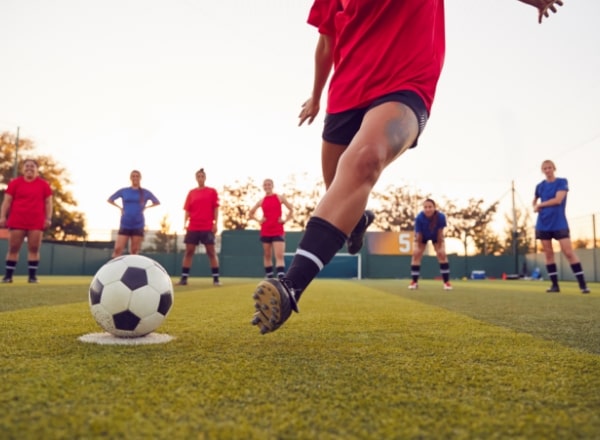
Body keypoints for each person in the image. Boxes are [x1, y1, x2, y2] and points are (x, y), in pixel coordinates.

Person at [251, 0, 565, 335]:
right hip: (345, 94)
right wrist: (315, 96)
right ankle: (356, 221)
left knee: (365, 160)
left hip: (405, 84)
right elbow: (327, 42)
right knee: (339, 192)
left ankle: (291, 286)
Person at [533, 159, 589, 294]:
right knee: (548, 254)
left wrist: (540, 205)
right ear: (542, 170)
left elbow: (558, 200)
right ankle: (554, 286)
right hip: (543, 224)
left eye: (549, 167)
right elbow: (534, 200)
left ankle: (583, 285)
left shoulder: (562, 182)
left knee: (568, 252)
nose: (547, 170)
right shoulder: (539, 186)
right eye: (545, 168)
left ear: (554, 168)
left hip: (559, 223)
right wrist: (535, 206)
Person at [0, 159, 53, 283]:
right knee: (13, 248)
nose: (29, 168)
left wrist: (48, 218)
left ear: (37, 169)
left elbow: (48, 202)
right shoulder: (14, 183)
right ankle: (8, 277)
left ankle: (32, 277)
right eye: (27, 166)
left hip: (36, 221)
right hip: (17, 220)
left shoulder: (44, 184)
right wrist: (2, 216)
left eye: (32, 166)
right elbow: (6, 201)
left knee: (34, 248)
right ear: (23, 169)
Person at [177, 168, 221, 286]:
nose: (200, 178)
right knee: (189, 252)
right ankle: (184, 279)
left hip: (207, 226)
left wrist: (215, 223)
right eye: (198, 176)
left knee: (211, 252)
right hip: (193, 227)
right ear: (196, 178)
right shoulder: (191, 193)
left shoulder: (212, 191)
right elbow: (187, 210)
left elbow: (216, 208)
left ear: (205, 178)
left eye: (202, 176)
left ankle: (216, 279)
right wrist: (185, 223)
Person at [107, 170, 160, 258]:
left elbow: (156, 202)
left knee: (134, 250)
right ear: (130, 178)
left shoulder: (145, 192)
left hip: (138, 224)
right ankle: (113, 270)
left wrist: (146, 207)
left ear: (140, 178)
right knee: (118, 249)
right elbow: (110, 199)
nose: (135, 178)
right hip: (125, 223)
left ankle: (133, 271)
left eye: (137, 176)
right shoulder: (124, 191)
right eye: (133, 176)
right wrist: (120, 208)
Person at [248, 179, 294, 279]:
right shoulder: (261, 201)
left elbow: (291, 209)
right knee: (267, 255)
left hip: (278, 230)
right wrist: (259, 220)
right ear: (263, 187)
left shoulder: (279, 197)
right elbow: (250, 213)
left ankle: (281, 278)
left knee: (279, 255)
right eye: (265, 185)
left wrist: (285, 220)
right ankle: (269, 277)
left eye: (269, 184)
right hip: (266, 230)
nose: (267, 186)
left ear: (272, 186)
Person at [408, 199, 452, 291]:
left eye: (430, 207)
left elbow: (440, 232)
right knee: (416, 254)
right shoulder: (419, 218)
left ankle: (446, 283)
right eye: (425, 207)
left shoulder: (440, 217)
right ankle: (414, 282)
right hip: (422, 236)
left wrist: (439, 247)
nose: (428, 209)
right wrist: (418, 248)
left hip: (436, 236)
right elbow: (418, 235)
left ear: (434, 208)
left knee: (442, 254)